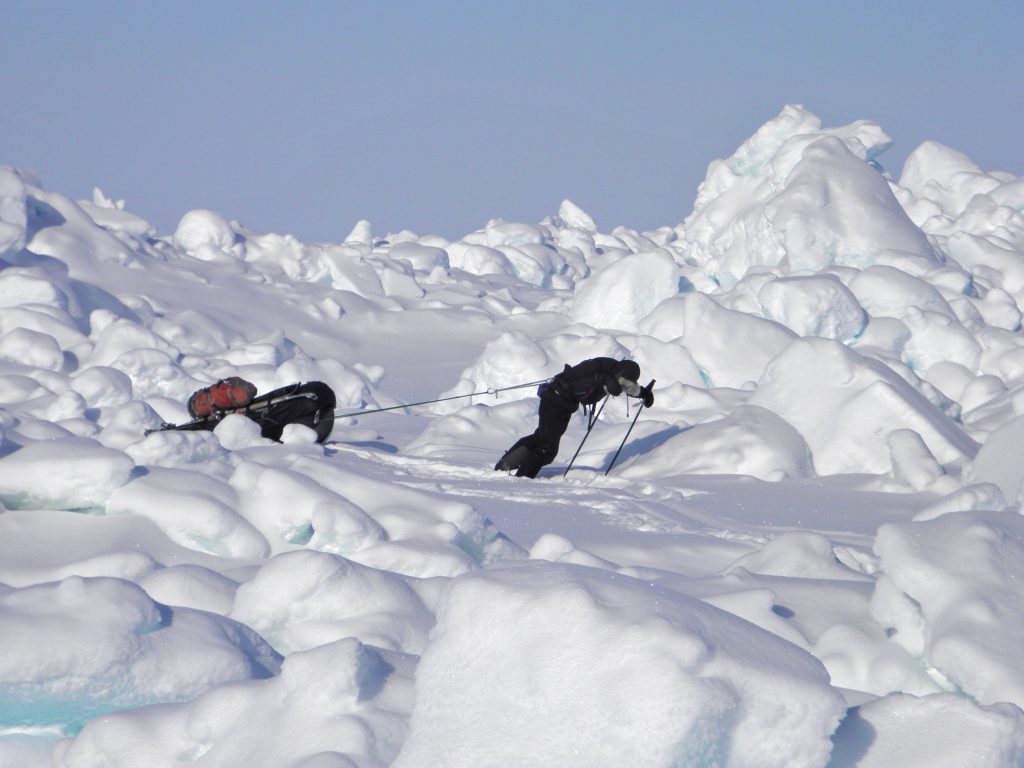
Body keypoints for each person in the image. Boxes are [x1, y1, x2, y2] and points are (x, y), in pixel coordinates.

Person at [495, 357, 653, 478]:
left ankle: (505, 466)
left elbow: (624, 386)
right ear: (620, 373)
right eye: (623, 381)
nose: (623, 385)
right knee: (547, 448)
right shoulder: (599, 369)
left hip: (561, 404)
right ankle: (522, 479)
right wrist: (605, 380)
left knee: (541, 438)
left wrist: (642, 393)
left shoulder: (613, 374)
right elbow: (582, 381)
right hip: (555, 400)